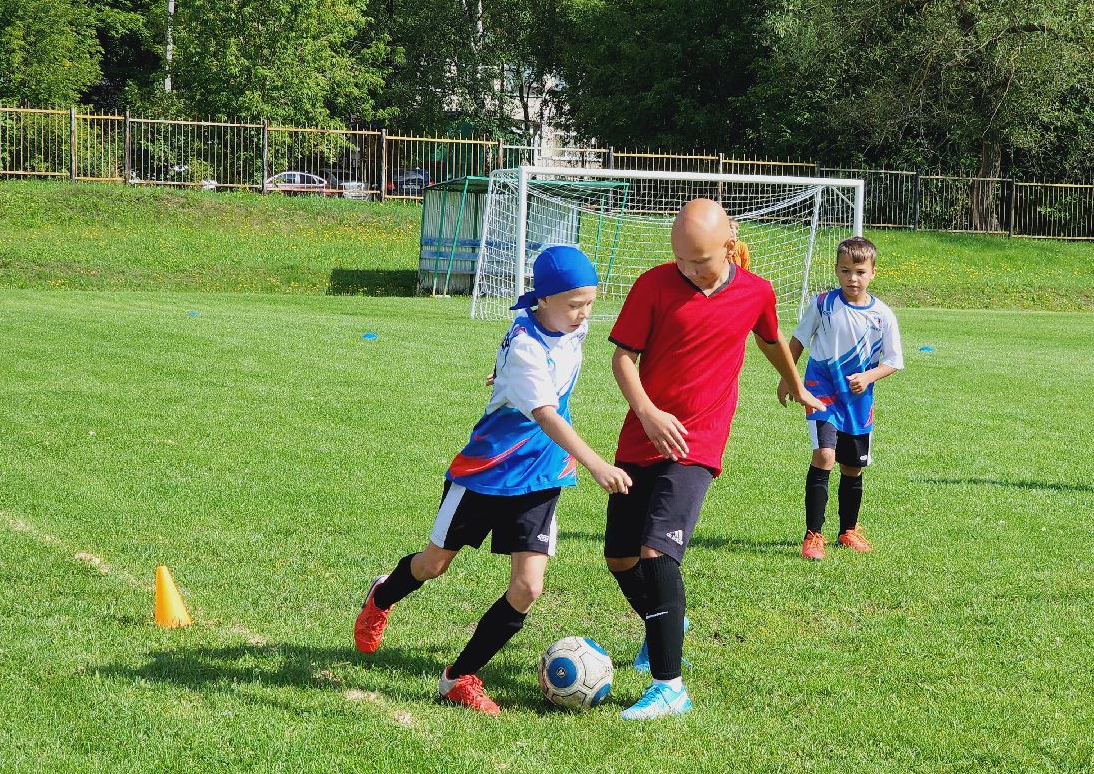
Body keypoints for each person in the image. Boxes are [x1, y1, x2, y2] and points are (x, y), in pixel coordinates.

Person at [353, 246, 631, 714]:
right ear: (542, 299)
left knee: (528, 587)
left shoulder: (570, 325)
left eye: (589, 303)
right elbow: (545, 414)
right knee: (433, 565)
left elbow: (549, 370)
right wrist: (595, 463)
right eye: (575, 304)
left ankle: (458, 678)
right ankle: (383, 594)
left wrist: (504, 377)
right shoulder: (525, 346)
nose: (585, 315)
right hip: (484, 474)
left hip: (541, 476)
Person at [604, 198, 824, 720]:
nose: (690, 271)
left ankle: (669, 687)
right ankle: (668, 621)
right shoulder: (652, 284)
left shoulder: (756, 291)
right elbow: (622, 357)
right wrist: (649, 412)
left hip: (698, 442)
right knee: (620, 557)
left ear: (730, 245)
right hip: (642, 434)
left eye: (700, 262)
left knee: (658, 553)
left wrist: (795, 385)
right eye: (681, 261)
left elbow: (771, 341)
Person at [779, 235, 903, 559]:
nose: (852, 278)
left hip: (858, 403)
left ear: (873, 273)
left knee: (852, 468)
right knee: (824, 456)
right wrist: (786, 379)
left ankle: (848, 530)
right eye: (846, 270)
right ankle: (813, 535)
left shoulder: (883, 316)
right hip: (822, 393)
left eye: (860, 271)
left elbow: (893, 361)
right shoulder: (823, 304)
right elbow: (797, 340)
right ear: (836, 270)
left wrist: (868, 376)